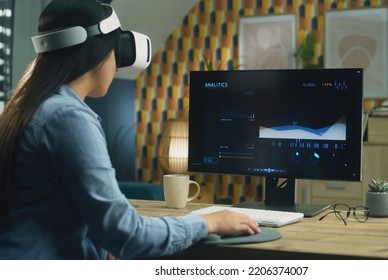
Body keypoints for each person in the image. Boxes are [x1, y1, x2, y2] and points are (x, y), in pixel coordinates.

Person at [0, 0, 259, 260]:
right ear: (100, 51)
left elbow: (51, 210)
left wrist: (100, 247)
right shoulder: (67, 116)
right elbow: (126, 234)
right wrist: (207, 222)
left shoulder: (29, 105)